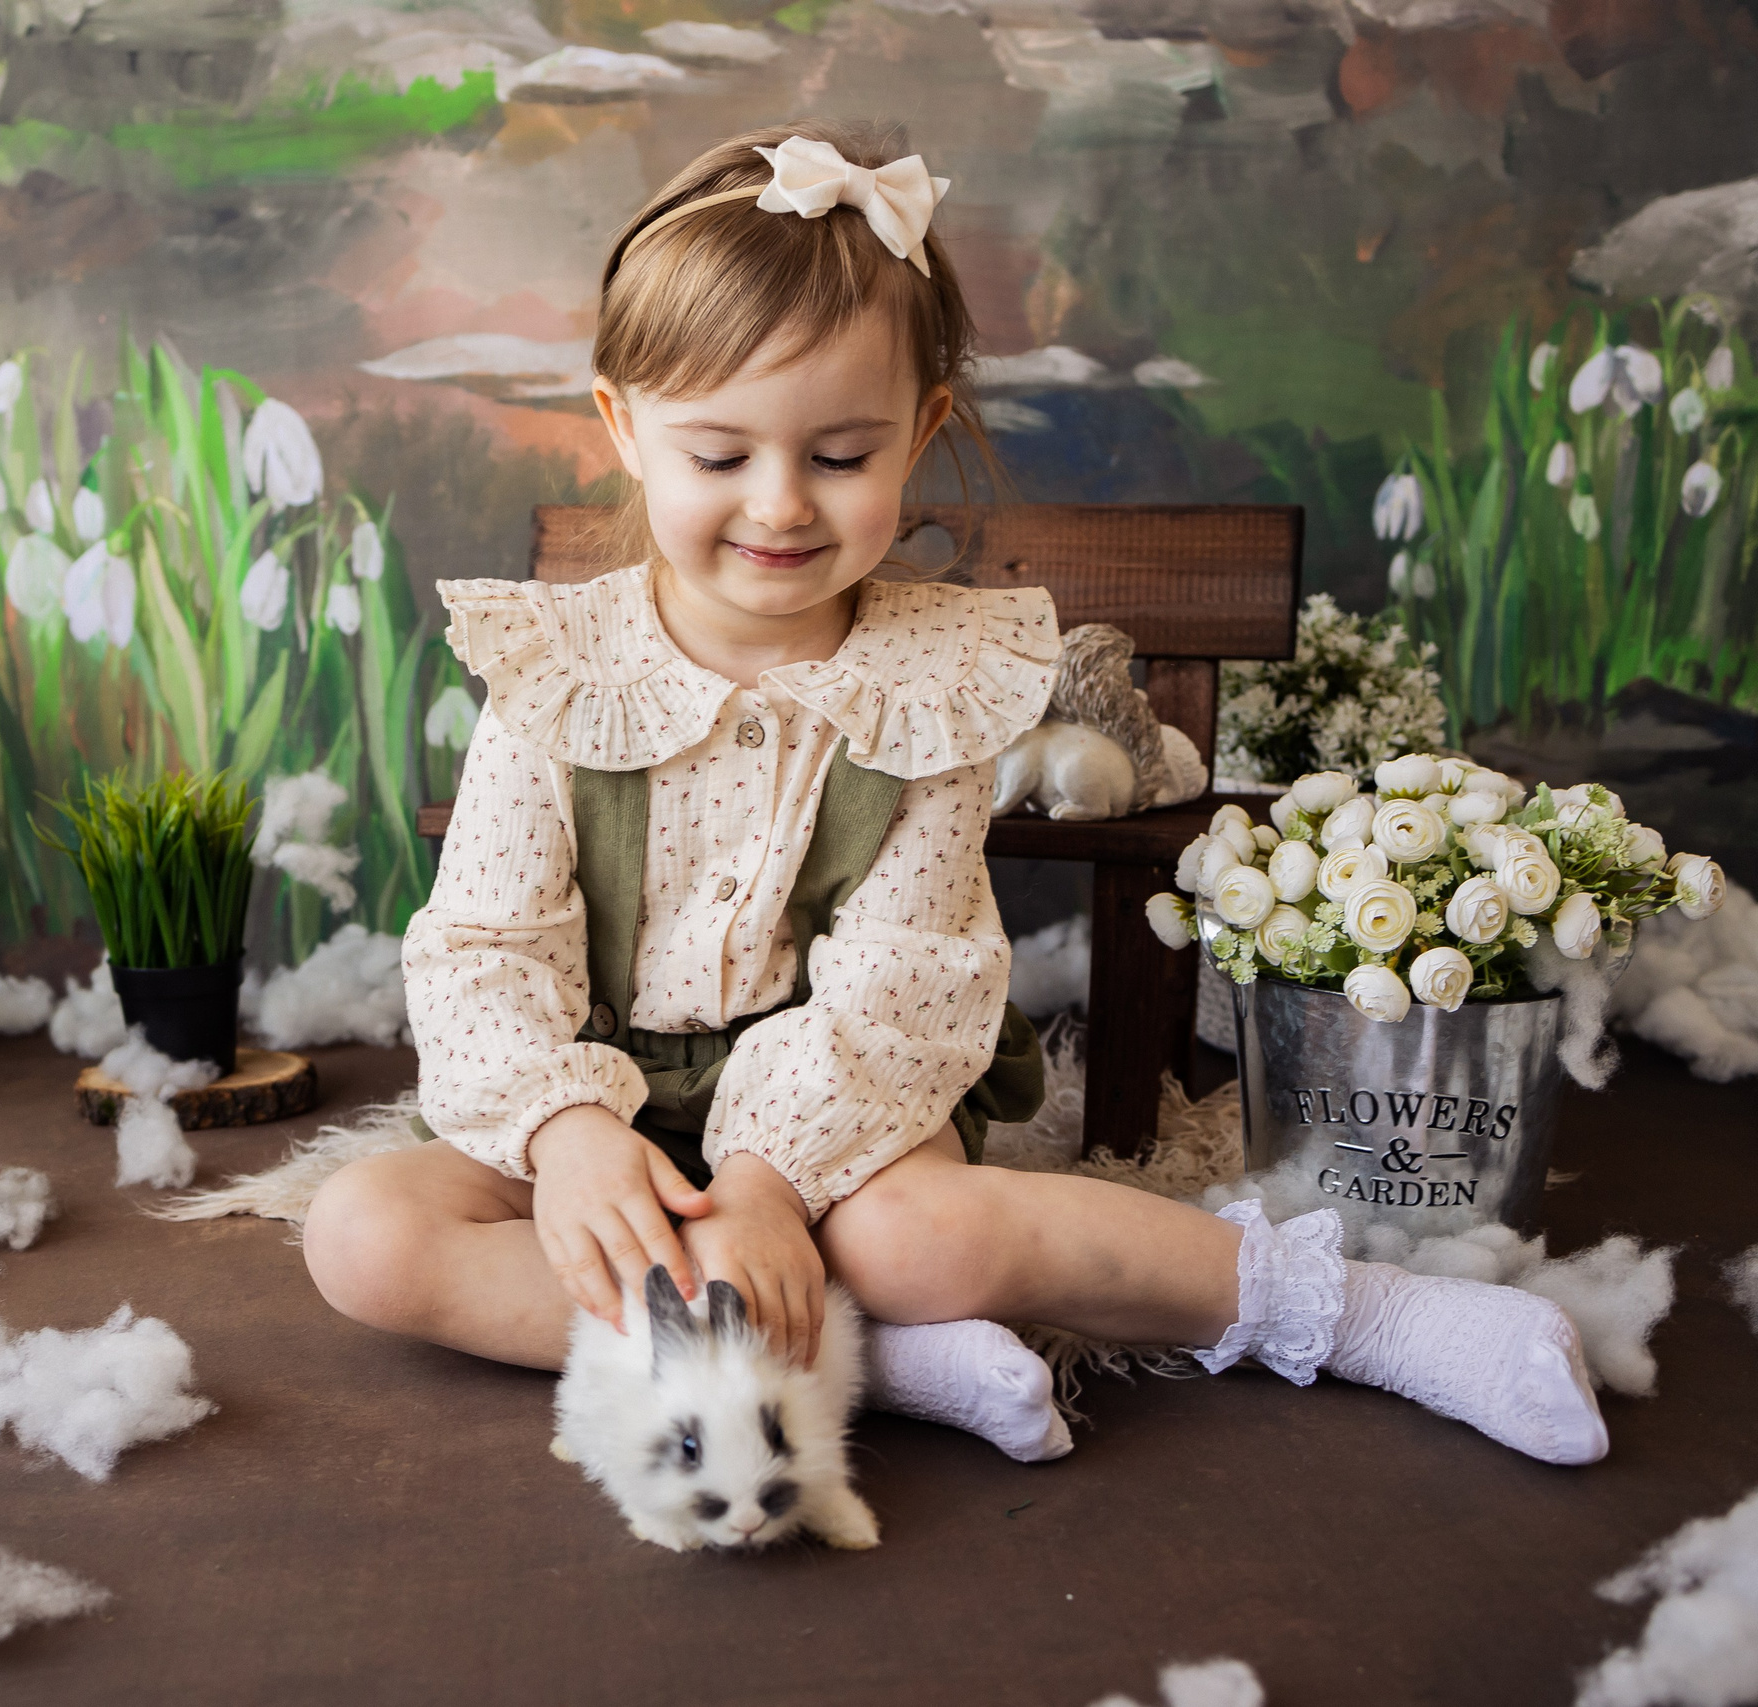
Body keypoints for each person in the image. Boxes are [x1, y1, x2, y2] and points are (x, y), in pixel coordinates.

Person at [303, 119, 1608, 1469]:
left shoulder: (926, 685)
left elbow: (904, 978)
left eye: (840, 455)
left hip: (844, 1096)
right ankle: (868, 1363)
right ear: (623, 430)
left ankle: (1369, 1319)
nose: (780, 504)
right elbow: (485, 950)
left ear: (921, 431)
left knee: (921, 1238)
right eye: (719, 454)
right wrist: (569, 1135)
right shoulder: (557, 676)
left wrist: (761, 1184)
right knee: (365, 1237)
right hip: (601, 1088)